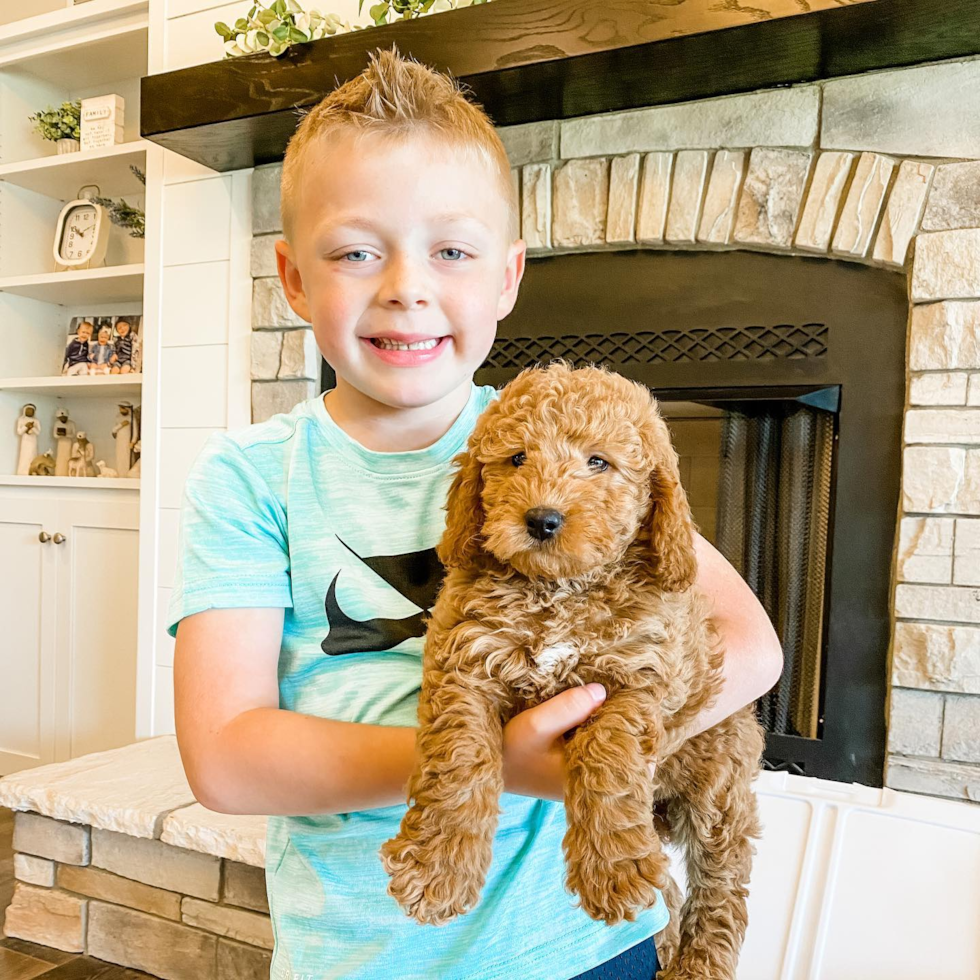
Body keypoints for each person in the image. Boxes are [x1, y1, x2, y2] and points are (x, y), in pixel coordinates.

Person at [166, 47, 783, 980]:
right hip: (366, 956)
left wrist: (610, 742)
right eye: (355, 251)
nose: (406, 287)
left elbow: (752, 644)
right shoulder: (252, 477)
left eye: (451, 251)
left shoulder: (558, 437)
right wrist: (488, 758)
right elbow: (226, 758)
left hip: (587, 941)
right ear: (294, 279)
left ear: (505, 277)